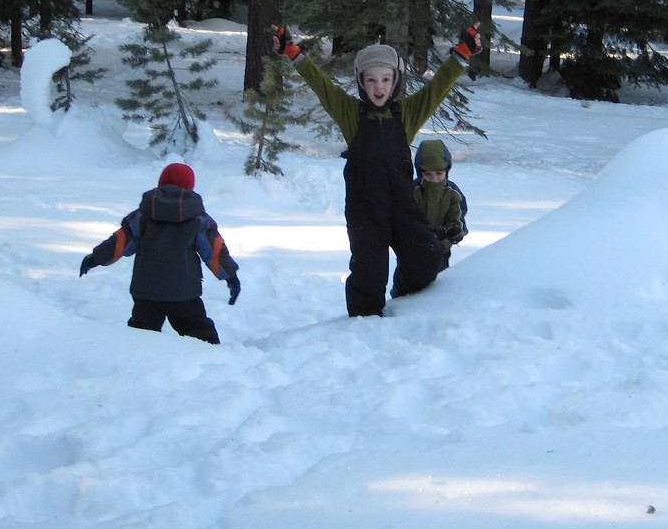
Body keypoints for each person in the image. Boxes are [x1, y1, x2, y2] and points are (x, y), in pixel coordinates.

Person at [272, 22, 481, 316]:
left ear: (395, 81)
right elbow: (321, 85)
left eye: (385, 79)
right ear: (361, 82)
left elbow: (437, 88)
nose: (378, 87)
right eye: (370, 80)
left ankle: (404, 298)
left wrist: (462, 53)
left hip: (402, 207)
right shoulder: (350, 113)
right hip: (365, 213)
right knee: (368, 274)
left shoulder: (406, 114)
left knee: (427, 257)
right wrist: (292, 52)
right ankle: (364, 324)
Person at [78, 162, 241, 344]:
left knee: (142, 334)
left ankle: (137, 357)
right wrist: (230, 276)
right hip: (182, 291)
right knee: (199, 333)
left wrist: (95, 258)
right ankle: (213, 356)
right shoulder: (198, 219)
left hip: (146, 289)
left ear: (162, 181)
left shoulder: (142, 215)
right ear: (190, 185)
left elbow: (119, 243)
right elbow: (214, 251)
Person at [412, 138, 469, 271]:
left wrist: (448, 238)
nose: (434, 179)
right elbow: (404, 219)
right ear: (420, 172)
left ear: (446, 171)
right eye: (428, 174)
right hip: (412, 250)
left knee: (439, 279)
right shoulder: (412, 191)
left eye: (439, 173)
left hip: (442, 249)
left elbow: (457, 219)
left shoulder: (452, 192)